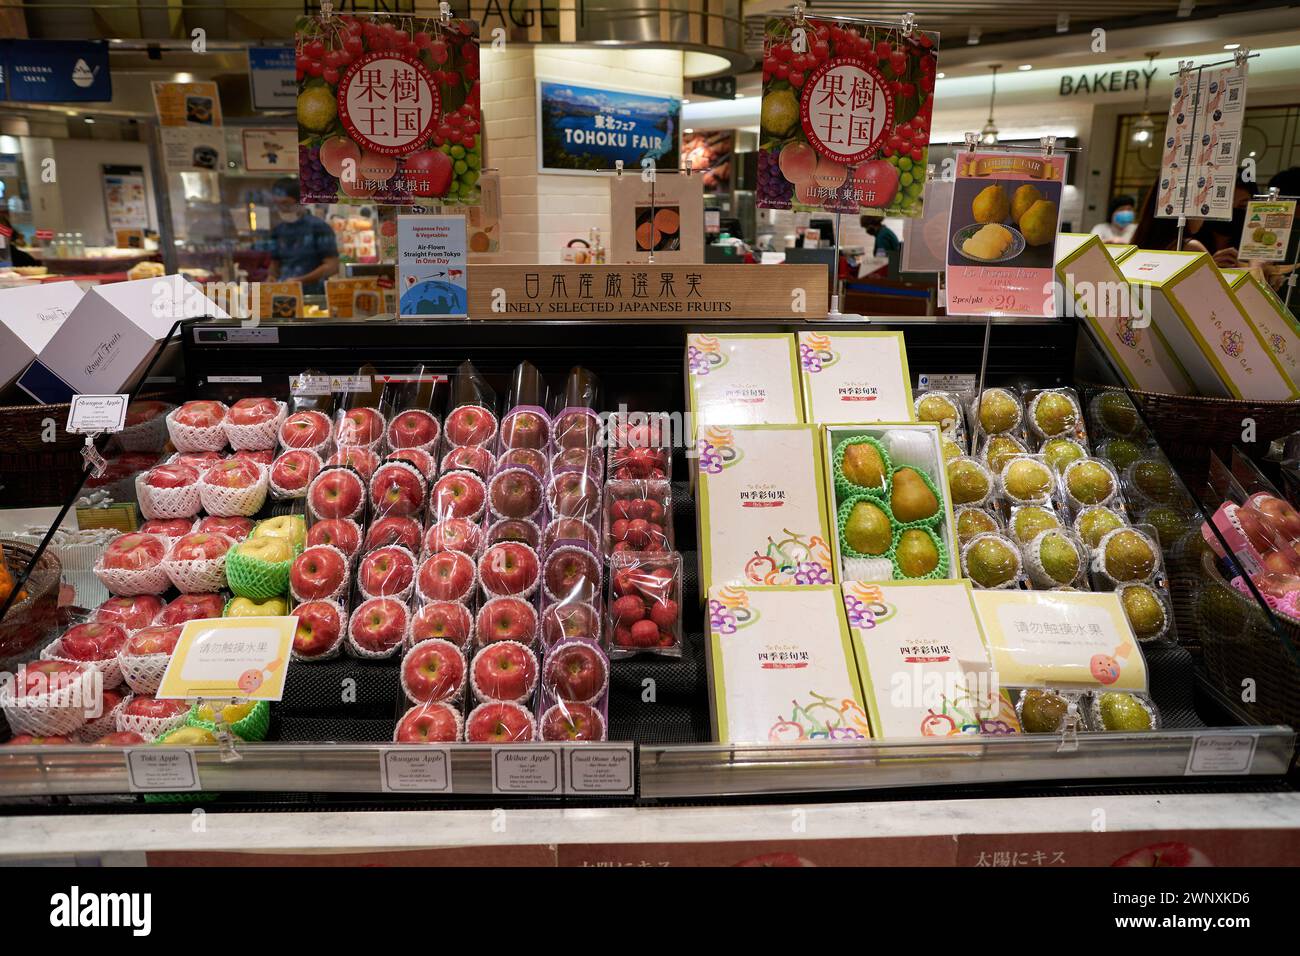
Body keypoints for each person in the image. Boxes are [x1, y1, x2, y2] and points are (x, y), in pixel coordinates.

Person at [267, 178, 338, 294]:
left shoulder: (318, 227)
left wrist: (300, 280)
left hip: (314, 295)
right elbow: (275, 264)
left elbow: (332, 266)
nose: (281, 209)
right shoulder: (278, 231)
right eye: (277, 204)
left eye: (286, 203)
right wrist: (271, 276)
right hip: (284, 294)